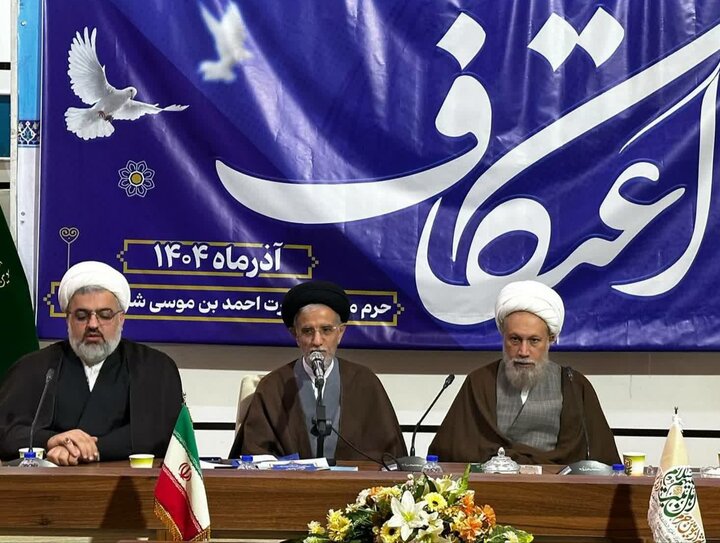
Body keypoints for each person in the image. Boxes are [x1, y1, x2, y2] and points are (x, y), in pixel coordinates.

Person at [0, 261, 183, 465]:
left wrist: (89, 449)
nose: (93, 324)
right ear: (67, 319)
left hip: (127, 482)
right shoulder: (33, 368)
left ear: (121, 319)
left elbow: (159, 432)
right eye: (82, 316)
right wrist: (51, 441)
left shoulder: (154, 367)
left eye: (105, 315)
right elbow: (6, 432)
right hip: (48, 482)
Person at [430, 280, 619, 465]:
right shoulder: (480, 381)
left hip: (554, 483)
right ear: (503, 337)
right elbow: (449, 452)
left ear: (550, 339)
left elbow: (601, 460)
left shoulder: (574, 386)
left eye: (534, 340)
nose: (523, 351)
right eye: (515, 339)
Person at [230, 280, 407, 461]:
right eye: (307, 331)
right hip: (289, 480)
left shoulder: (365, 382)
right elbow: (254, 454)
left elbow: (389, 456)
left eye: (326, 330)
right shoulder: (274, 386)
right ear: (296, 335)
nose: (317, 341)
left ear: (340, 333)